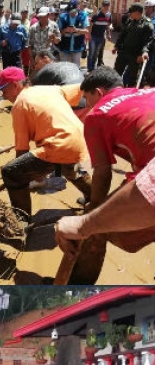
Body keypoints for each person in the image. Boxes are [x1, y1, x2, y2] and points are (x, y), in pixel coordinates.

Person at [54, 67, 155, 262]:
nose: (88, 105)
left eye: (87, 98)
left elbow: (102, 172)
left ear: (99, 93)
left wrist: (93, 214)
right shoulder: (148, 90)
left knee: (112, 229)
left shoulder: (97, 115)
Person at [0, 66, 93, 226]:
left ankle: (22, 223)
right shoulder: (48, 89)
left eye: (4, 90)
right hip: (78, 138)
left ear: (15, 85)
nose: (3, 95)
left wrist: (27, 174)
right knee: (68, 168)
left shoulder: (19, 105)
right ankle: (97, 199)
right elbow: (81, 90)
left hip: (59, 144)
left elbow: (22, 151)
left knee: (11, 172)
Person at [112, 4, 154, 87]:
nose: (129, 14)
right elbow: (122, 35)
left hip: (135, 56)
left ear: (137, 12)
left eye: (131, 12)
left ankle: (130, 94)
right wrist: (116, 46)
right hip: (123, 53)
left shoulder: (147, 25)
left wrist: (143, 53)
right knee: (116, 74)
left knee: (133, 78)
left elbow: (148, 42)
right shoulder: (129, 21)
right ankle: (114, 91)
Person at [57, 0, 90, 67]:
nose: (70, 13)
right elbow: (58, 32)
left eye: (72, 11)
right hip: (64, 46)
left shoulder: (83, 16)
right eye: (69, 11)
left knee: (76, 67)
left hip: (77, 46)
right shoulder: (62, 17)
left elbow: (86, 31)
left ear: (77, 8)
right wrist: (66, 30)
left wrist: (76, 30)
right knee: (64, 67)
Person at [29, 7, 61, 75]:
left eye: (44, 16)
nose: (42, 18)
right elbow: (29, 45)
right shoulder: (33, 28)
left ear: (48, 15)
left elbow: (57, 41)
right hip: (36, 58)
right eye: (40, 16)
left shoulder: (54, 25)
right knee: (35, 79)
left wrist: (54, 38)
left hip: (48, 58)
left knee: (48, 78)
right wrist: (31, 60)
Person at [89, 0, 115, 71]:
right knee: (92, 52)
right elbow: (91, 25)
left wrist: (109, 33)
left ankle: (96, 65)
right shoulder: (96, 14)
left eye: (108, 7)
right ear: (102, 6)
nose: (106, 9)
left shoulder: (109, 15)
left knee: (98, 52)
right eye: (105, 7)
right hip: (94, 36)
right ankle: (90, 68)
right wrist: (89, 35)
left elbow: (107, 25)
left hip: (101, 36)